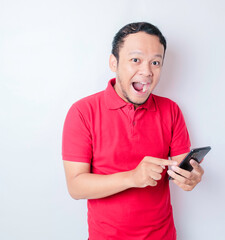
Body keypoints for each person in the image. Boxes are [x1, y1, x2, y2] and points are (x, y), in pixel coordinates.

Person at [62, 22, 204, 240]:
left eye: (155, 62)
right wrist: (132, 177)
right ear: (114, 62)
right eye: (135, 59)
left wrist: (190, 178)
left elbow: (181, 172)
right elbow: (76, 187)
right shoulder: (83, 111)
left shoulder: (171, 110)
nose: (146, 71)